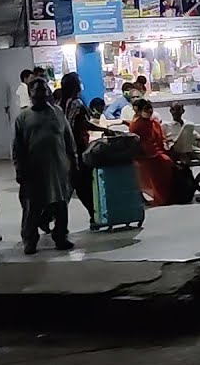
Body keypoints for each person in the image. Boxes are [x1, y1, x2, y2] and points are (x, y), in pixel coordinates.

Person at [13, 78, 78, 254]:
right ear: (31, 95)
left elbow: (68, 139)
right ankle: (30, 240)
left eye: (44, 91)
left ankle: (60, 237)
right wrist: (20, 169)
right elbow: (18, 147)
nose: (42, 95)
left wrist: (73, 161)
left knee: (60, 204)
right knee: (32, 206)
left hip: (58, 168)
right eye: (37, 91)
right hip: (34, 169)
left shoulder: (57, 113)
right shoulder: (23, 118)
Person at [58, 73, 114, 223]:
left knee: (70, 187)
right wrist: (104, 130)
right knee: (83, 185)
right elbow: (81, 125)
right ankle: (93, 215)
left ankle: (49, 218)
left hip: (65, 149)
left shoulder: (62, 103)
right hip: (78, 148)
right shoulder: (77, 103)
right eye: (79, 82)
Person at [127, 99, 177, 207]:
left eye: (150, 108)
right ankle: (161, 198)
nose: (149, 111)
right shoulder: (136, 125)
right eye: (146, 109)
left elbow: (161, 139)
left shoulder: (154, 123)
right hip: (145, 155)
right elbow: (136, 144)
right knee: (162, 163)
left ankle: (169, 195)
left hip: (158, 152)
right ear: (140, 111)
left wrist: (166, 144)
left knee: (168, 162)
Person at [166, 102, 200, 188]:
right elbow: (164, 141)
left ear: (183, 111)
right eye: (175, 110)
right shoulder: (166, 126)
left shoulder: (188, 125)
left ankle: (198, 180)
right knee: (183, 161)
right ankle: (187, 185)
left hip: (190, 148)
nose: (177, 112)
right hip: (177, 151)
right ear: (171, 111)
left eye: (180, 109)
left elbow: (197, 137)